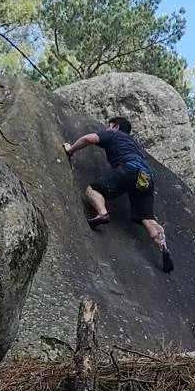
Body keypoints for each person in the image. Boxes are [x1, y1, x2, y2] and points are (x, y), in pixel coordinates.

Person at [64, 115, 174, 273]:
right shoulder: (134, 144)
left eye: (109, 125)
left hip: (130, 167)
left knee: (92, 191)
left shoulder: (113, 134)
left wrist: (70, 150)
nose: (107, 128)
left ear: (115, 126)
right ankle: (163, 247)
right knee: (147, 218)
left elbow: (88, 139)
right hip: (146, 175)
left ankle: (102, 214)